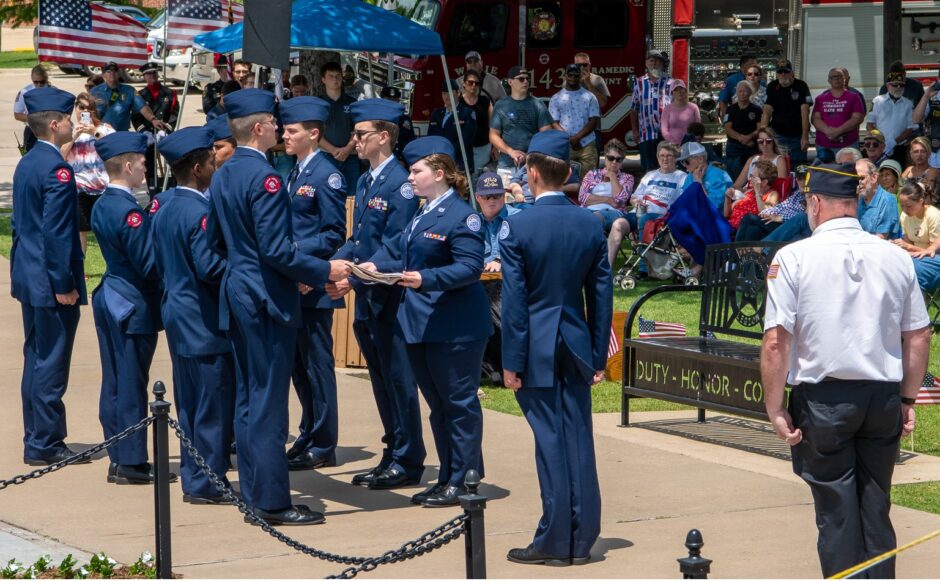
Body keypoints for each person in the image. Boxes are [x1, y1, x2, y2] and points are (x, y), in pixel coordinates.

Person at [761, 162, 931, 579]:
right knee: (876, 506)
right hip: (882, 397)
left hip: (825, 400)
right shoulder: (894, 257)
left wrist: (775, 407)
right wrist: (907, 398)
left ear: (816, 203)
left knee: (837, 514)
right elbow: (919, 335)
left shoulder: (794, 257)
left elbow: (776, 342)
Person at [204, 88, 350, 525]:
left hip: (241, 293)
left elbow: (215, 242)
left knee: (250, 399)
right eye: (272, 122)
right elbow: (276, 250)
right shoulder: (264, 177)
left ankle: (255, 493)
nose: (277, 128)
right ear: (259, 128)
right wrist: (323, 270)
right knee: (267, 403)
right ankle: (271, 501)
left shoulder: (224, 173)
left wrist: (243, 269)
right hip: (266, 299)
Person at [500, 129, 612, 566]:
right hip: (577, 340)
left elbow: (514, 302)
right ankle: (581, 539)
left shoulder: (519, 224)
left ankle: (554, 538)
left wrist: (511, 360)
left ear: (531, 173)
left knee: (549, 440)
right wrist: (597, 355)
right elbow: (600, 297)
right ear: (567, 174)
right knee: (578, 437)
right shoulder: (590, 223)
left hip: (536, 344)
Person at [362, 136, 493, 507]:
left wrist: (425, 279)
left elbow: (470, 267)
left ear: (439, 173)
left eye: (416, 171)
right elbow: (405, 255)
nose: (410, 177)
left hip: (455, 327)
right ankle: (449, 475)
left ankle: (465, 479)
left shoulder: (462, 215)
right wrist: (373, 268)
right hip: (423, 323)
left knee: (458, 404)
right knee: (439, 405)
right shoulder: (423, 211)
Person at [327, 99, 425, 491]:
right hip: (370, 297)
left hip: (389, 298)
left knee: (399, 381)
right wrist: (332, 265)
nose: (355, 140)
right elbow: (359, 239)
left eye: (361, 134)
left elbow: (395, 246)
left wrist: (352, 277)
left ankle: (408, 457)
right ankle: (393, 451)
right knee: (382, 381)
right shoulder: (368, 180)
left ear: (383, 137)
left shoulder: (400, 183)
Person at [151, 127, 234, 504]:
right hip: (203, 320)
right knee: (211, 406)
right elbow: (209, 267)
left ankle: (195, 476)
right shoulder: (199, 211)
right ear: (198, 168)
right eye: (212, 162)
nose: (216, 166)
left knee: (190, 405)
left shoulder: (165, 206)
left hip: (179, 314)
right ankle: (207, 483)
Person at [12, 87, 88, 466]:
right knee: (51, 364)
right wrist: (64, 284)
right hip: (49, 282)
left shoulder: (28, 162)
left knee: (36, 358)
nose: (72, 125)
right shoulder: (57, 170)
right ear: (55, 124)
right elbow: (56, 234)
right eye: (68, 119)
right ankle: (46, 442)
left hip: (30, 276)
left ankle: (36, 436)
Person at [90, 131, 166, 485]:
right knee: (132, 383)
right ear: (129, 166)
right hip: (131, 302)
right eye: (143, 164)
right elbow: (149, 265)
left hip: (111, 295)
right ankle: (132, 462)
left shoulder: (103, 203)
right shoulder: (130, 212)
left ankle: (118, 455)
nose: (146, 169)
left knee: (115, 380)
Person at [278, 96, 348, 470]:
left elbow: (333, 233)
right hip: (295, 282)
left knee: (318, 366)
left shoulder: (325, 174)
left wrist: (296, 254)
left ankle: (323, 442)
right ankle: (308, 431)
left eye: (292, 131)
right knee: (299, 367)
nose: (285, 136)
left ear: (314, 133)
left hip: (314, 285)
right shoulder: (296, 172)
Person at [474, 172, 522, 384]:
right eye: (487, 196)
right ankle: (488, 366)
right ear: (478, 198)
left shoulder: (518, 218)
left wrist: (501, 259)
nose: (492, 200)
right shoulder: (471, 222)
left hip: (509, 284)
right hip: (480, 284)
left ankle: (507, 365)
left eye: (496, 195)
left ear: (504, 196)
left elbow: (525, 249)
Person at [61, 91, 115, 254]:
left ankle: (112, 263)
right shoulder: (68, 131)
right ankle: (81, 265)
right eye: (81, 107)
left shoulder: (104, 129)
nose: (84, 111)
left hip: (103, 188)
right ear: (75, 108)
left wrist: (94, 132)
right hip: (79, 189)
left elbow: (114, 149)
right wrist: (73, 137)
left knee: (106, 230)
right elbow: (60, 156)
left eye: (88, 108)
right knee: (80, 231)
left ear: (94, 110)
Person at [489, 66, 554, 186]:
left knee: (530, 197)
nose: (525, 82)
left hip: (533, 165)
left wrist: (530, 155)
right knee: (506, 196)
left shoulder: (538, 104)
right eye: (521, 79)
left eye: (527, 79)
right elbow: (493, 135)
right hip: (506, 165)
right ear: (510, 82)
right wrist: (511, 152)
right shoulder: (501, 105)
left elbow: (546, 135)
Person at [578, 139, 635, 267]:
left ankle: (591, 263)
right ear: (605, 158)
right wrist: (608, 199)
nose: (614, 162)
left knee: (594, 218)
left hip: (612, 213)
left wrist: (613, 177)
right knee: (573, 219)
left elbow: (620, 200)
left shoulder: (627, 178)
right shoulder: (592, 174)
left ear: (622, 162)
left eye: (618, 159)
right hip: (587, 211)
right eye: (611, 158)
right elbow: (582, 198)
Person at [134, 62, 180, 196]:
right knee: (149, 164)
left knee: (174, 161)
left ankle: (173, 188)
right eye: (148, 74)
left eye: (154, 72)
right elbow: (136, 117)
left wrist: (166, 129)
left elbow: (174, 113)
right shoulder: (140, 95)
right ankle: (153, 191)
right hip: (149, 135)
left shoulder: (170, 93)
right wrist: (144, 132)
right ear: (144, 76)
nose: (152, 75)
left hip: (164, 133)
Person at [550, 64, 600, 179]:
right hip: (565, 144)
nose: (573, 78)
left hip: (587, 144)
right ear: (565, 76)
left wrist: (577, 137)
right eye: (570, 75)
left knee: (589, 180)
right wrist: (569, 139)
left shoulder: (590, 96)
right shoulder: (556, 98)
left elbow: (593, 121)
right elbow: (554, 122)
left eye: (576, 75)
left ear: (580, 77)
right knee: (565, 180)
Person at [627, 141, 686, 236]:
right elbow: (634, 197)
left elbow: (682, 203)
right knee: (619, 223)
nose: (665, 159)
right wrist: (636, 202)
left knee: (644, 220)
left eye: (669, 156)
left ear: (675, 158)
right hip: (639, 212)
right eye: (662, 156)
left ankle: (643, 246)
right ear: (658, 158)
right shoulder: (650, 175)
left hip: (660, 214)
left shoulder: (681, 177)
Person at [761, 59, 812, 166]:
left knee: (799, 167)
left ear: (792, 72)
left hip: (797, 136)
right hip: (778, 135)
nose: (783, 74)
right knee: (778, 167)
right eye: (780, 72)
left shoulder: (801, 85)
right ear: (776, 74)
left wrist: (805, 137)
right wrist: (762, 134)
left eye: (786, 71)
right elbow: (766, 112)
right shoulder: (772, 86)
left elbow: (805, 113)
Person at [319, 62, 360, 193]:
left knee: (351, 197)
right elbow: (314, 132)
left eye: (338, 76)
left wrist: (348, 149)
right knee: (327, 196)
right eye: (331, 76)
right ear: (323, 79)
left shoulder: (352, 103)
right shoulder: (318, 104)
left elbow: (357, 130)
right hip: (325, 156)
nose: (335, 79)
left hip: (350, 157)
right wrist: (332, 150)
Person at [89, 62, 166, 133]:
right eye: (109, 71)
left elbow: (142, 106)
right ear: (103, 75)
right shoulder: (95, 91)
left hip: (122, 133)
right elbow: (87, 110)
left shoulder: (129, 90)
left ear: (119, 74)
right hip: (101, 132)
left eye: (115, 71)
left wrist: (153, 119)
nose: (112, 74)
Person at [628, 50, 672, 171]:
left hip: (667, 134)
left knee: (667, 167)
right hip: (646, 133)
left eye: (658, 61)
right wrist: (635, 131)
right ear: (646, 63)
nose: (655, 64)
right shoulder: (639, 82)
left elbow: (677, 108)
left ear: (663, 64)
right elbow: (634, 109)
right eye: (651, 61)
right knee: (649, 169)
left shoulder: (670, 82)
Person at [811, 68, 865, 163]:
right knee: (825, 171)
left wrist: (838, 131)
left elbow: (857, 118)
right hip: (824, 146)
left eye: (840, 76)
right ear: (829, 80)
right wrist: (828, 131)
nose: (837, 79)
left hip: (848, 145)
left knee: (849, 171)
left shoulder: (854, 97)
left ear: (845, 79)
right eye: (833, 77)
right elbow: (815, 118)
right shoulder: (820, 98)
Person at [894, 181, 940, 290]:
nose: (905, 210)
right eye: (902, 206)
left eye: (909, 206)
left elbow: (932, 253)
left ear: (920, 201)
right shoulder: (904, 216)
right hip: (917, 257)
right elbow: (908, 245)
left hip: (933, 259)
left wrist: (908, 247)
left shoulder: (933, 215)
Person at [868, 71, 917, 166]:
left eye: (901, 85)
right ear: (887, 86)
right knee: (878, 172)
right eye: (895, 85)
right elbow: (870, 125)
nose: (898, 87)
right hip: (879, 147)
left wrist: (894, 142)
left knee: (898, 172)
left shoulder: (908, 104)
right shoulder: (877, 101)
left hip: (899, 147)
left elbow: (910, 128)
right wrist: (879, 141)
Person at [429, 80, 477, 175]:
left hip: (459, 164)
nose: (446, 96)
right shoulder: (436, 114)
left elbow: (466, 140)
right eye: (444, 93)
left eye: (450, 93)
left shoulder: (467, 113)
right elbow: (430, 138)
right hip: (438, 163)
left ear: (458, 93)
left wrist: (445, 153)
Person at [723, 81, 763, 182]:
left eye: (745, 91)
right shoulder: (730, 109)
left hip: (751, 147)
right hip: (734, 147)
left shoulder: (757, 110)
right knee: (733, 176)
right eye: (740, 91)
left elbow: (759, 129)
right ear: (736, 92)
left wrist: (749, 137)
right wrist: (742, 139)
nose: (742, 93)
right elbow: (728, 128)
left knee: (752, 175)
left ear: (750, 92)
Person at [725, 159, 779, 231]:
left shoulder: (772, 194)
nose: (750, 179)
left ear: (764, 182)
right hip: (730, 226)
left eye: (753, 177)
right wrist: (727, 197)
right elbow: (727, 214)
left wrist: (757, 192)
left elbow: (765, 213)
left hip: (747, 230)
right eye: (750, 175)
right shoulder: (749, 192)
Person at [680, 141, 733, 211]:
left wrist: (699, 183)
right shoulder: (690, 176)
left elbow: (713, 207)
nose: (684, 165)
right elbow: (684, 202)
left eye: (686, 161)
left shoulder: (719, 175)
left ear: (700, 159)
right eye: (682, 162)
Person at [459, 69, 494, 176]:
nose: (473, 85)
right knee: (463, 177)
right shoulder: (458, 102)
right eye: (470, 82)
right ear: (464, 83)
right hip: (463, 148)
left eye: (476, 83)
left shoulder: (485, 101)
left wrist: (495, 146)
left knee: (478, 177)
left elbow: (493, 125)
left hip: (483, 147)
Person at [732, 127, 788, 191]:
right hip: (748, 194)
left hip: (769, 196)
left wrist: (758, 193)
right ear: (757, 143)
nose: (764, 144)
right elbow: (736, 185)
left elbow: (780, 188)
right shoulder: (752, 159)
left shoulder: (779, 160)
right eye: (761, 141)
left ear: (773, 142)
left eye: (768, 141)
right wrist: (747, 193)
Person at [856, 158, 900, 239]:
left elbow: (881, 237)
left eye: (862, 178)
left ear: (874, 177)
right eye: (855, 179)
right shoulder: (858, 198)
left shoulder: (887, 200)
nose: (858, 183)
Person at [13, 65, 49, 153]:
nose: (39, 85)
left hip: (49, 130)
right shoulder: (25, 92)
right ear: (32, 78)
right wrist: (35, 119)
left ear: (46, 79)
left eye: (42, 82)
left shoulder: (53, 91)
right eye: (36, 82)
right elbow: (17, 115)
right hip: (32, 131)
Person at [718, 53, 759, 122]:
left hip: (756, 118)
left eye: (756, 65)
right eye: (752, 65)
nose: (755, 67)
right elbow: (723, 101)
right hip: (737, 118)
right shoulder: (730, 80)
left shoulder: (761, 81)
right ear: (743, 65)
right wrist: (727, 120)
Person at [380, 86, 417, 159]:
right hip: (381, 159)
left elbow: (410, 141)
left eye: (394, 100)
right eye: (388, 100)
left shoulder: (405, 119)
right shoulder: (376, 119)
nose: (391, 103)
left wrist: (403, 160)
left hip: (401, 159)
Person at [661, 80, 699, 146]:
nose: (679, 92)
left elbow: (698, 127)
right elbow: (664, 130)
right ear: (672, 93)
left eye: (681, 89)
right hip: (673, 146)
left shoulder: (694, 107)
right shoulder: (667, 108)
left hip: (691, 145)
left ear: (685, 91)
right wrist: (673, 143)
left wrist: (694, 140)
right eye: (676, 90)